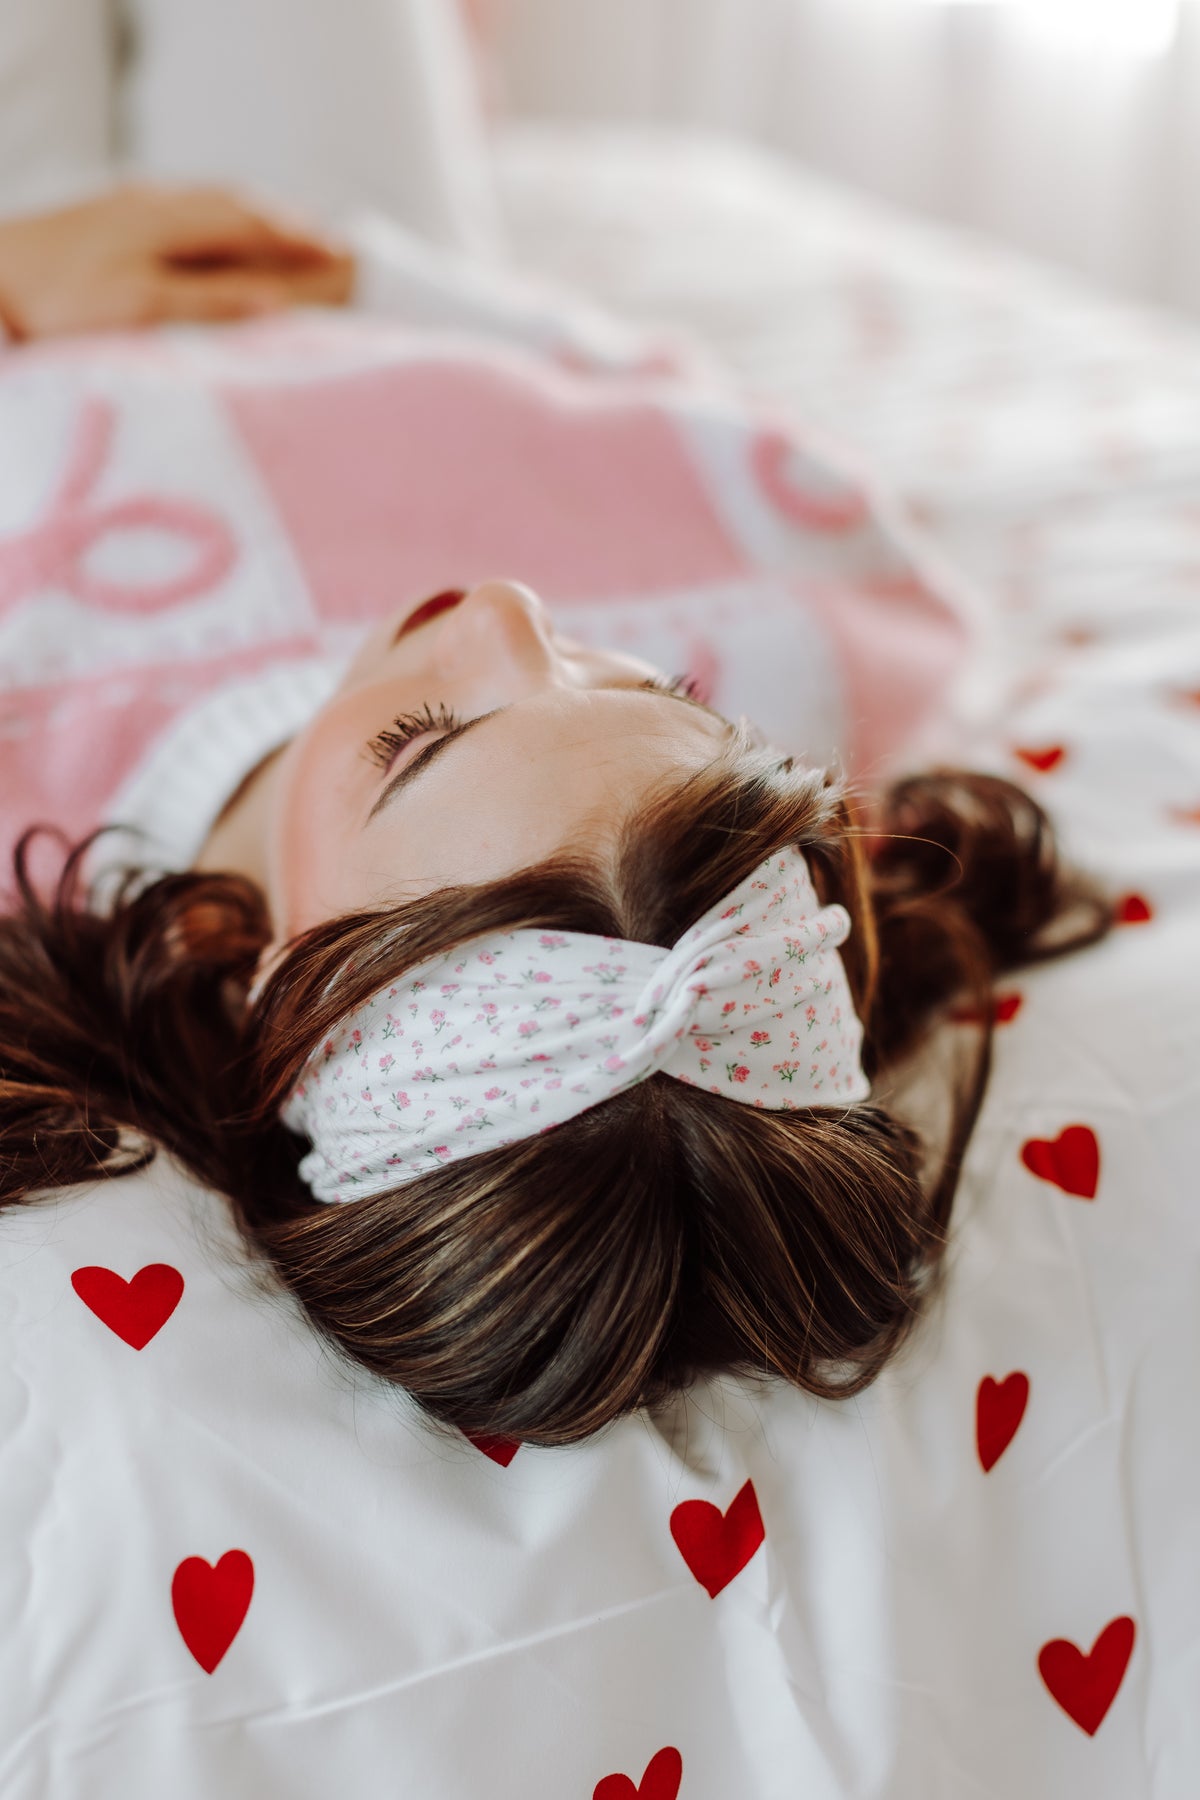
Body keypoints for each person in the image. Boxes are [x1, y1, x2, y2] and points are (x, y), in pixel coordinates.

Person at [0, 189, 1112, 1449]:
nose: (502, 608)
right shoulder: (800, 630)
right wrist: (352, 278)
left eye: (416, 744)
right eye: (661, 692)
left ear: (275, 992)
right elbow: (737, 452)